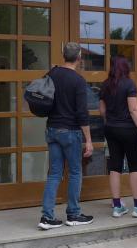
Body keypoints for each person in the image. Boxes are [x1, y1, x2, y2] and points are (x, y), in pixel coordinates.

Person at [38, 42, 95, 229]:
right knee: (75, 172)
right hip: (70, 131)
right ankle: (73, 214)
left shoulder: (52, 73)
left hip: (52, 129)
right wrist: (88, 140)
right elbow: (82, 113)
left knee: (54, 174)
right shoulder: (78, 80)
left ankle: (46, 217)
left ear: (63, 56)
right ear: (79, 58)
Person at [99, 55, 137, 218]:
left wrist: (110, 121)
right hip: (129, 130)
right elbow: (133, 110)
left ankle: (117, 206)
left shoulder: (105, 85)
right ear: (125, 67)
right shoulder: (129, 84)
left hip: (111, 129)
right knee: (134, 166)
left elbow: (102, 110)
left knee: (115, 166)